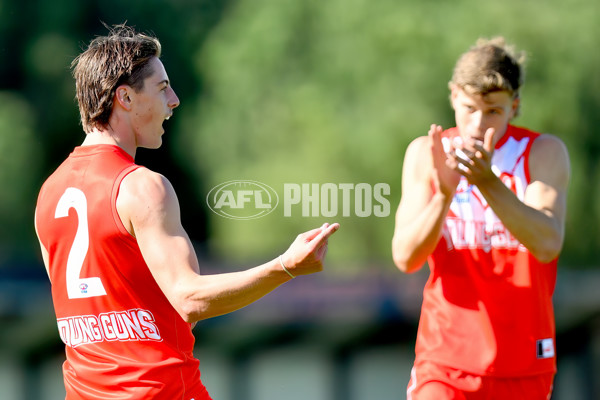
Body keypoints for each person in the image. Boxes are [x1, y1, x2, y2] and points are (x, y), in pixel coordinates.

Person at [34, 24, 340, 400]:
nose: (174, 100)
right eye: (162, 88)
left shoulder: (49, 192)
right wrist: (286, 266)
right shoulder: (141, 186)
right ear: (125, 98)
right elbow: (190, 298)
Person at [391, 37, 570, 399]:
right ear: (454, 95)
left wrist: (486, 183)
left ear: (514, 106)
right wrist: (443, 196)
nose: (477, 124)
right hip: (444, 360)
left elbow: (547, 243)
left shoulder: (541, 152)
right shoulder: (427, 154)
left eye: (493, 112)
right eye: (469, 107)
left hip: (523, 360)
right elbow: (405, 257)